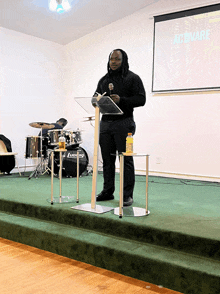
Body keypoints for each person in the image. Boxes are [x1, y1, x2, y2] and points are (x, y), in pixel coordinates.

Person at [92, 49, 146, 206]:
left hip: (124, 123)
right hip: (106, 123)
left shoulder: (132, 78)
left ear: (124, 60)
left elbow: (141, 99)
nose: (113, 62)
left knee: (125, 159)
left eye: (117, 59)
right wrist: (95, 100)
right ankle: (107, 191)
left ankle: (127, 195)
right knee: (108, 160)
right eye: (111, 59)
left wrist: (122, 100)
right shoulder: (104, 79)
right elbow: (96, 96)